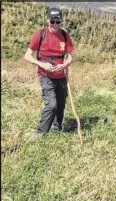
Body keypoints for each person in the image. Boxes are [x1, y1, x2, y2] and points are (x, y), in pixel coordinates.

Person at [24, 7, 74, 136]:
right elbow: (27, 55)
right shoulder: (40, 34)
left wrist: (64, 65)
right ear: (48, 20)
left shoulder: (64, 35)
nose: (55, 24)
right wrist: (41, 64)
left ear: (61, 21)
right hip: (45, 75)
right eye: (53, 21)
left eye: (58, 21)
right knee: (52, 105)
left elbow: (69, 56)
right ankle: (40, 132)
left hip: (61, 75)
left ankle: (56, 129)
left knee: (61, 105)